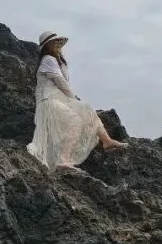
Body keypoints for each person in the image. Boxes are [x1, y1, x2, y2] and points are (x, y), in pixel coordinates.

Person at [27, 31, 127, 170]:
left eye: (59, 43)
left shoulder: (55, 61)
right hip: (49, 101)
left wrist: (61, 60)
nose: (58, 45)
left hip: (57, 99)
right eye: (55, 43)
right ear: (47, 46)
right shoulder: (48, 60)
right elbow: (61, 82)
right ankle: (64, 159)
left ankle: (107, 141)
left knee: (87, 110)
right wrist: (74, 101)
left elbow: (63, 79)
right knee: (76, 119)